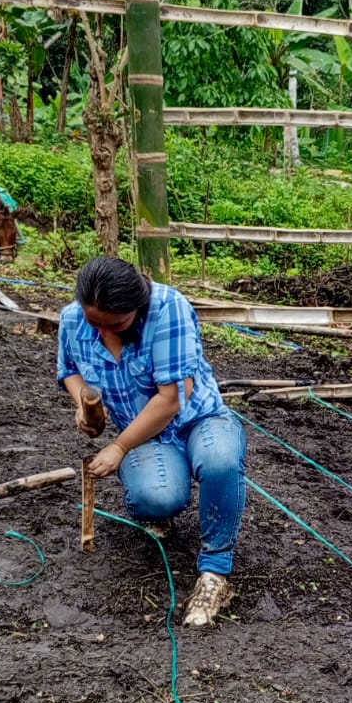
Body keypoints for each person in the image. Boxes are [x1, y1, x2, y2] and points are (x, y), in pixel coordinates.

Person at [57, 256, 247, 627]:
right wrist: (84, 404)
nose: (104, 332)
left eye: (116, 324)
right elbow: (70, 371)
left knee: (220, 458)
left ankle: (215, 572)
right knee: (156, 497)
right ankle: (160, 513)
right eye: (95, 323)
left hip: (198, 418)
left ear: (137, 306)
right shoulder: (72, 319)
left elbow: (171, 399)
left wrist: (119, 446)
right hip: (146, 433)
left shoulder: (168, 308)